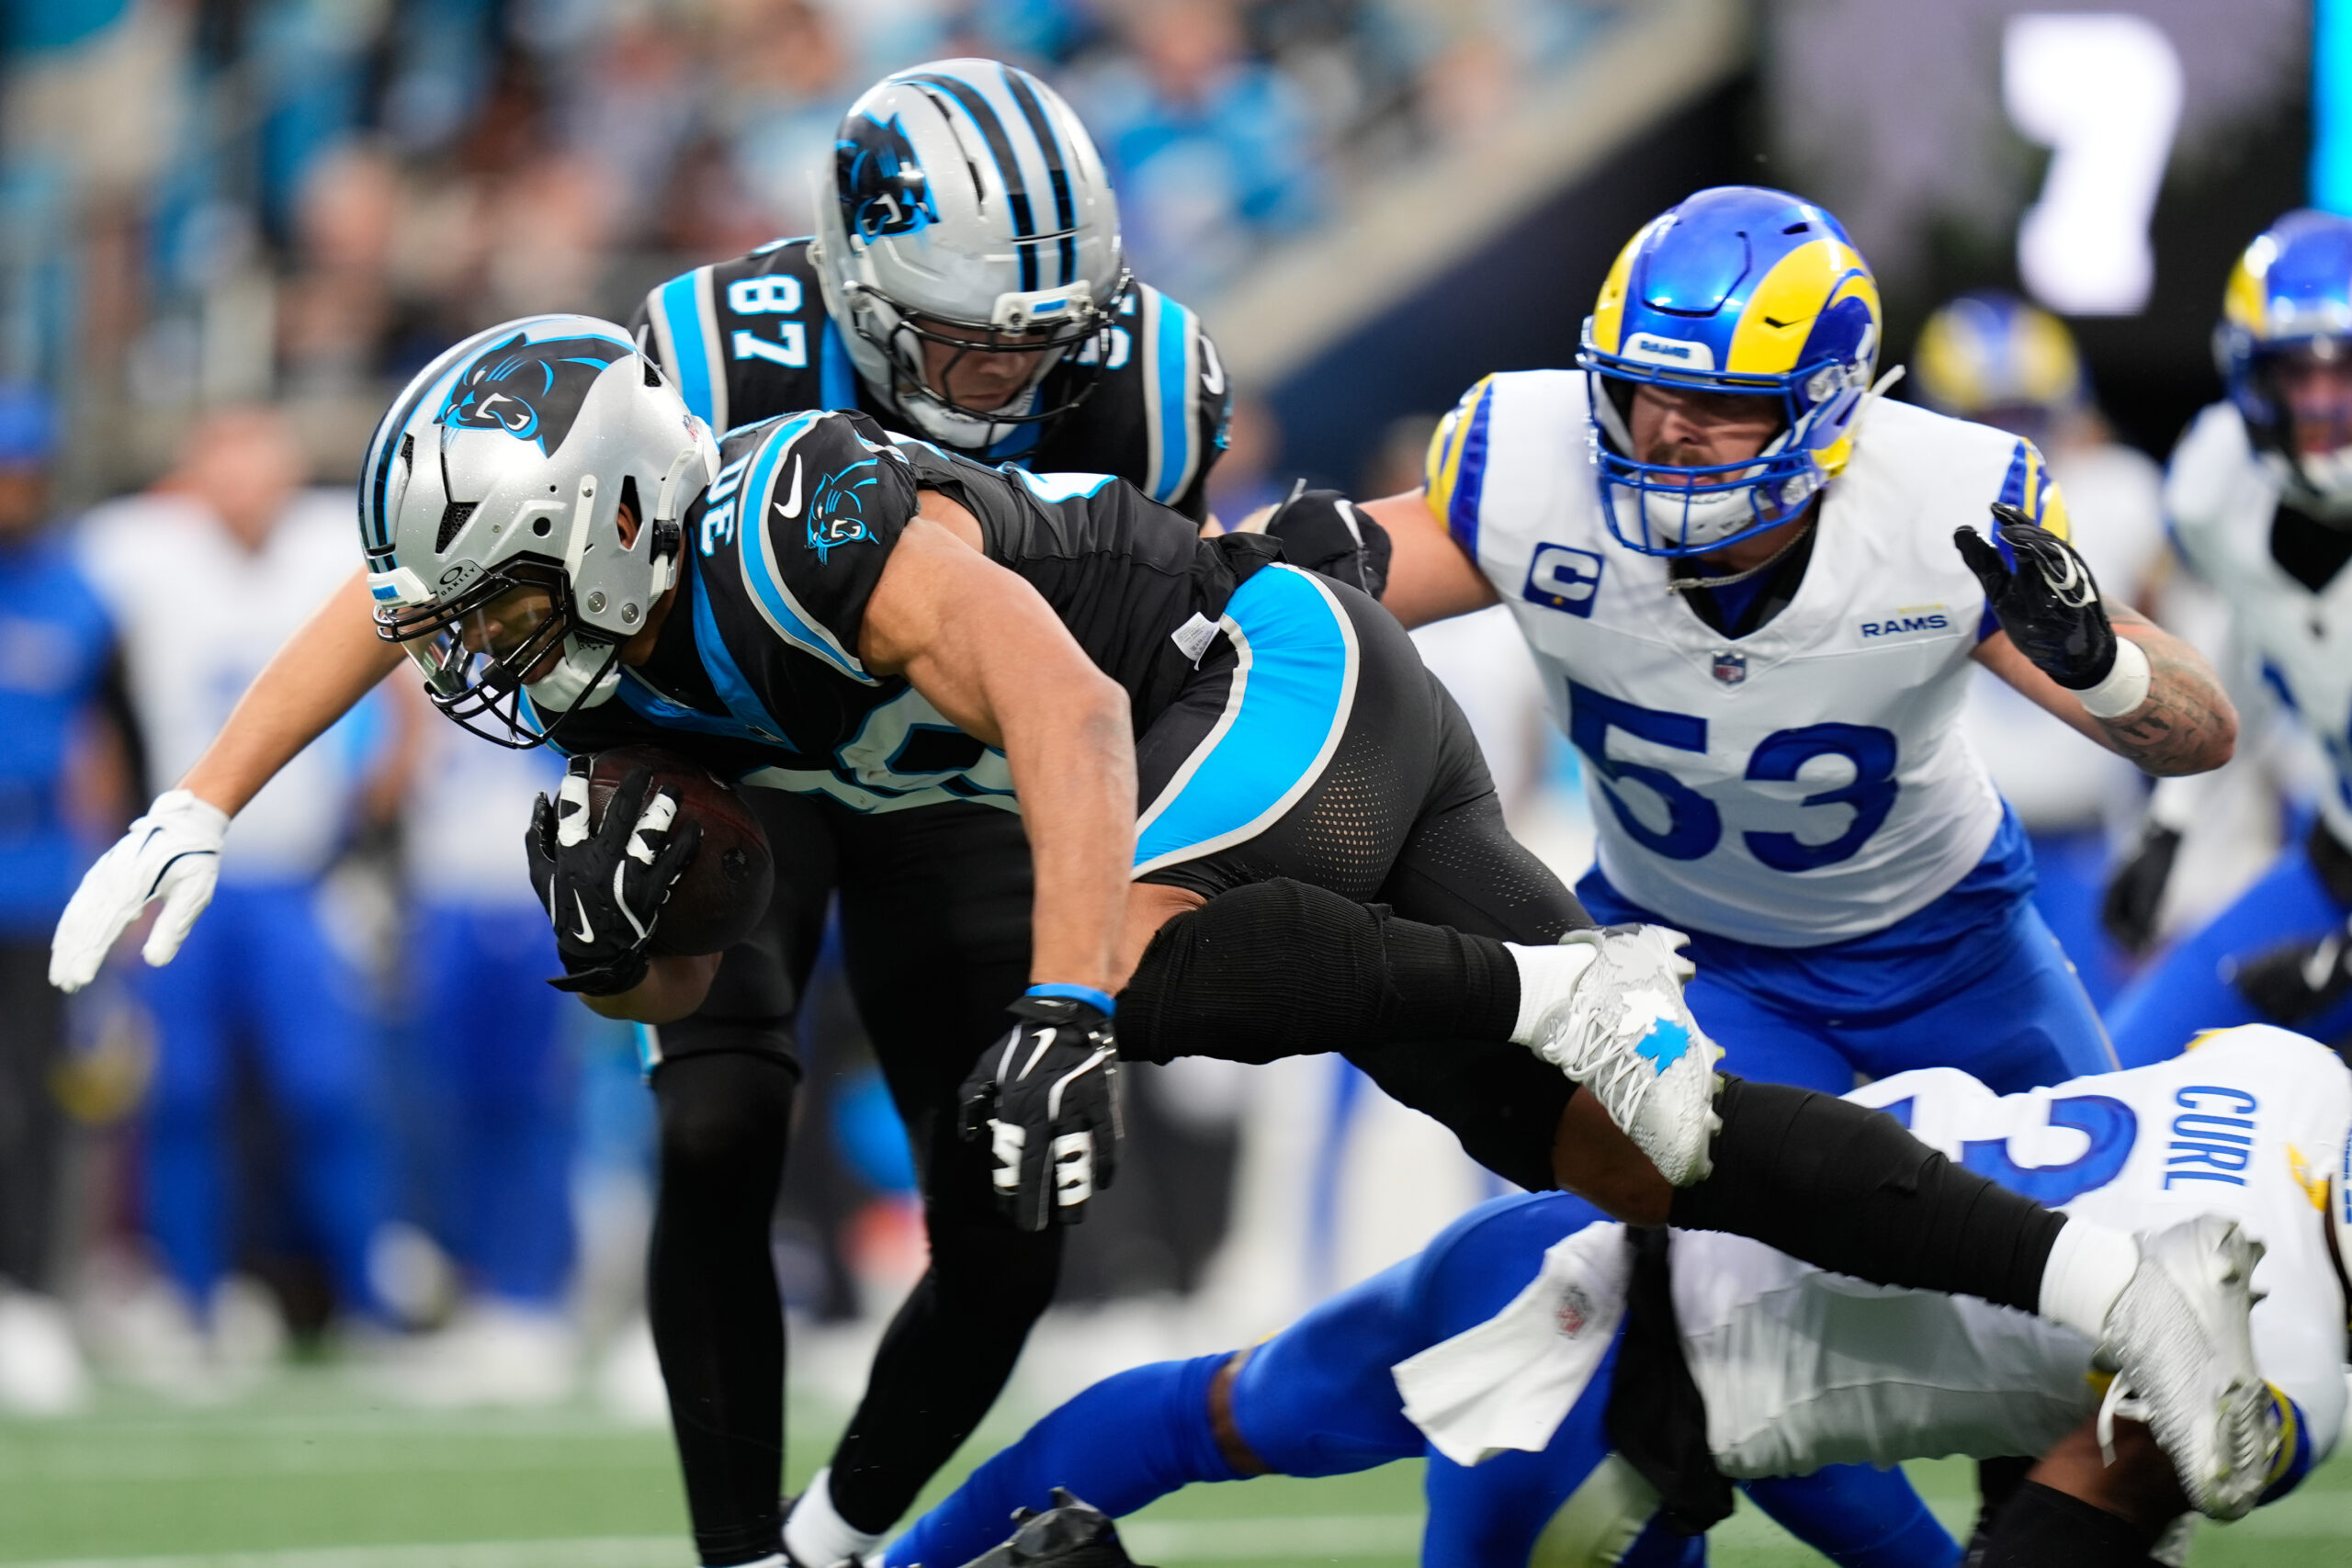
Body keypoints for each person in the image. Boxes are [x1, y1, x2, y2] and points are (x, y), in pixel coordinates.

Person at [54, 314, 2277, 1545]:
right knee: (1637, 1145)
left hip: (1267, 677)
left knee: (1122, 969)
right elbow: (378, 603)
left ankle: (1538, 979)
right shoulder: (597, 617)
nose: (481, 651)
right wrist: (195, 800)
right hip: (1248, 749)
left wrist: (1050, 997)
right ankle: (2079, 1271)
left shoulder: (808, 524)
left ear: (625, 523)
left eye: (514, 599)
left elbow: (1046, 699)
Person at [628, 59, 1232, 1564]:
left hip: (966, 781)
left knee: (1015, 1202)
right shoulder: (713, 351)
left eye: (1047, 334)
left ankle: (825, 1547)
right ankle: (734, 1553)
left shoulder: (1150, 382)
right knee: (717, 1116)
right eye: (970, 339)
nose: (1011, 377)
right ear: (854, 282)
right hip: (752, 757)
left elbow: (1142, 670)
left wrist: (1087, 974)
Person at [1329, 185, 2235, 1101]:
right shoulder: (1533, 473)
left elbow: (2205, 735)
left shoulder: (1939, 507)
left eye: (1718, 399)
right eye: (1648, 388)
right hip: (1685, 952)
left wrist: (2100, 664)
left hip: (1948, 945)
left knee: (2094, 1188)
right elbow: (1286, 592)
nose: (1671, 429)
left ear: (1824, 406)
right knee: (1677, 1224)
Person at [892, 1022, 2345, 1568]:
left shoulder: (2297, 1076)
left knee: (1216, 1407)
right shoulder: (2293, 1363)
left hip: (1572, 1229)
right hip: (1618, 1419)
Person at [73, 407, 397, 1378]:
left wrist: (376, 824)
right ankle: (192, 1302)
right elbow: (84, 691)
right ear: (192, 475)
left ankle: (372, 1304)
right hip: (185, 876)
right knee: (180, 1095)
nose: (246, 489)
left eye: (262, 467)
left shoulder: (335, 534)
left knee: (330, 1091)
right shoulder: (139, 547)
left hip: (303, 875)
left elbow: (413, 677)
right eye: (225, 467)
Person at [2102, 210, 2352, 1066]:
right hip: (2336, 861)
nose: (2323, 405)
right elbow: (2257, 628)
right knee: (2129, 1070)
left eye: (2346, 373)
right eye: (2297, 374)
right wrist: (2171, 821)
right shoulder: (2213, 485)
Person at [1916, 291, 2170, 1008]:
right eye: (1987, 418)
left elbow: (2183, 653)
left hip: (2088, 840)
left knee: (2100, 1053)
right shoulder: (1902, 510)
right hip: (1947, 848)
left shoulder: (2119, 495)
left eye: (2024, 416)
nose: (2007, 439)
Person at [396, 705, 578, 1405]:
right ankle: (481, 1292)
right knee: (455, 1110)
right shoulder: (422, 648)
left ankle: (533, 1298)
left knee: (531, 1106)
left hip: (531, 894)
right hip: (445, 894)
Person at [0, 383, 123, 1415]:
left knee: (41, 1102)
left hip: (38, 879)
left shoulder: (79, 597)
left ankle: (31, 1302)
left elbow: (120, 744)